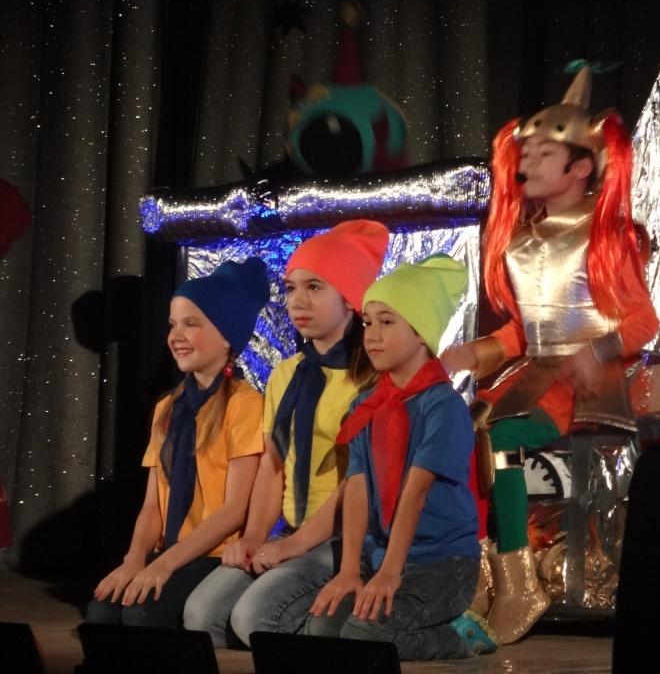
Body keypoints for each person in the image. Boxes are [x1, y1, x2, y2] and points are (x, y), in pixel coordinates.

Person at [439, 66, 660, 643]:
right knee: (463, 429)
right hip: (538, 372)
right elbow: (524, 331)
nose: (526, 166)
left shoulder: (608, 236)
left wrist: (597, 350)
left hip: (589, 382)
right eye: (526, 155)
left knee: (503, 435)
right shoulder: (520, 241)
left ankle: (517, 580)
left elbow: (643, 321)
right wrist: (475, 351)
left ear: (581, 167)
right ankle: (483, 572)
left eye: (542, 155)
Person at [184, 221, 389, 646]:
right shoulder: (286, 374)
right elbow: (273, 465)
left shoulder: (370, 380)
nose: (297, 301)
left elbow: (358, 483)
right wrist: (254, 537)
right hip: (292, 531)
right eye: (291, 288)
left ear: (350, 299)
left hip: (342, 538)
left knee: (254, 620)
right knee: (201, 616)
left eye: (314, 287)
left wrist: (296, 546)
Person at [306, 255, 497, 659]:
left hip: (442, 564)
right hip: (383, 558)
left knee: (365, 637)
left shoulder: (442, 406)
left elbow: (416, 492)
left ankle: (457, 637)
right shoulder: (366, 405)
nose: (372, 335)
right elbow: (357, 487)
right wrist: (350, 571)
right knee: (322, 627)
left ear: (420, 333)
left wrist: (391, 572)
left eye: (387, 322)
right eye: (367, 323)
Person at [86, 257, 270, 627]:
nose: (176, 336)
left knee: (142, 615)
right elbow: (152, 505)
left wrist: (166, 565)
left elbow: (234, 510)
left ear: (226, 335)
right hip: (170, 549)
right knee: (102, 613)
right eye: (173, 324)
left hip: (212, 554)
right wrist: (135, 559)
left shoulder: (245, 404)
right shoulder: (167, 409)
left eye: (191, 323)